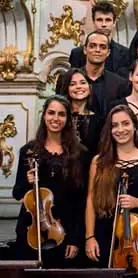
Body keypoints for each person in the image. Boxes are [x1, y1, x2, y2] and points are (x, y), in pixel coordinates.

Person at [12, 95, 88, 268]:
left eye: (61, 114)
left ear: (68, 119)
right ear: (44, 116)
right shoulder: (29, 151)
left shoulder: (80, 154)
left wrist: (75, 239)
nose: (55, 118)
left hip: (65, 229)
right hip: (32, 230)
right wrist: (27, 180)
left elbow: (81, 200)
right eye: (51, 113)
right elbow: (17, 193)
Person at [85, 105, 138, 271]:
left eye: (125, 124)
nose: (120, 130)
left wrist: (136, 202)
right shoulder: (98, 162)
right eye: (115, 125)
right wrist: (89, 237)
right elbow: (91, 199)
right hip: (105, 233)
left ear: (134, 126)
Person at [58, 30, 129, 118]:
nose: (97, 50)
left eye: (102, 47)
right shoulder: (66, 79)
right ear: (85, 50)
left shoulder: (119, 84)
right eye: (92, 46)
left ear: (108, 52)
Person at [69, 0, 129, 77]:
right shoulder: (77, 53)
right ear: (93, 22)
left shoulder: (125, 54)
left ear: (114, 23)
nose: (104, 24)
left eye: (108, 20)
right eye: (99, 20)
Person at [57, 68, 104, 156]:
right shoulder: (60, 117)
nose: (78, 86)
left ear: (89, 88)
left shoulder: (100, 120)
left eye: (83, 83)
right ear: (67, 89)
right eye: (72, 84)